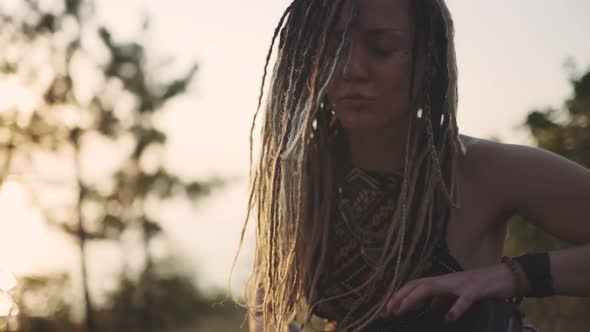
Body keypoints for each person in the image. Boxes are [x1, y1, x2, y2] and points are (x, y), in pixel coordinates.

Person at [231, 0, 590, 331]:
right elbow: (265, 305)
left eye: (383, 48)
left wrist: (509, 277)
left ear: (428, 59)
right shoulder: (303, 180)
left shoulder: (483, 170)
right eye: (330, 47)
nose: (351, 69)